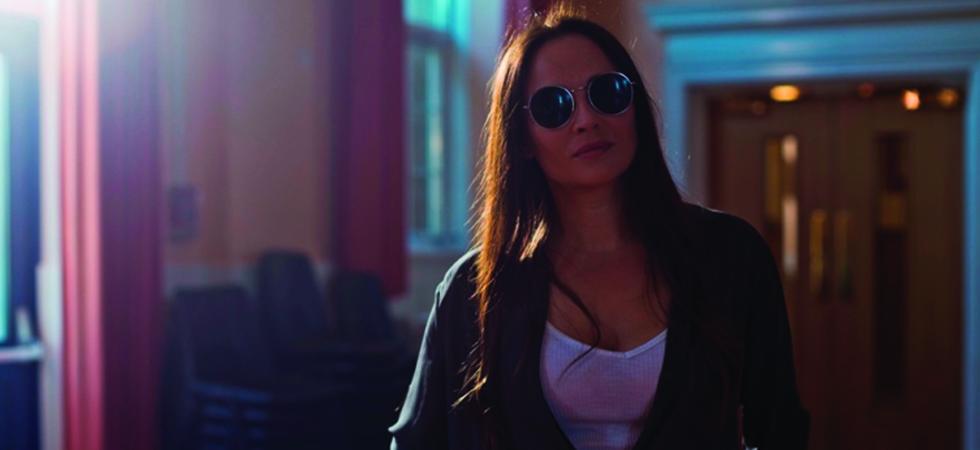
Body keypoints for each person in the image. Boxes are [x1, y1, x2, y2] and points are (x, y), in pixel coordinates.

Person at [389, 6, 809, 450]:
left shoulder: (731, 256)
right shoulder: (475, 289)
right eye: (554, 106)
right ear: (523, 138)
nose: (587, 119)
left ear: (635, 108)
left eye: (607, 93)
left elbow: (780, 427)